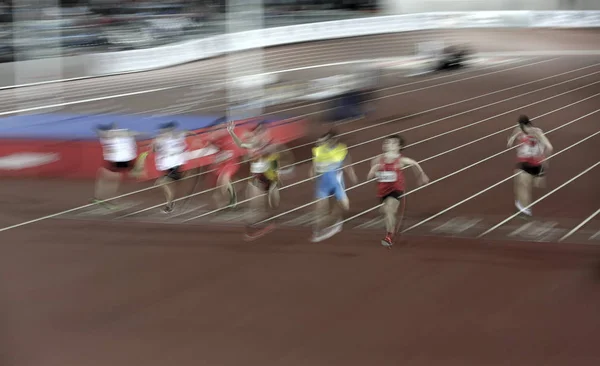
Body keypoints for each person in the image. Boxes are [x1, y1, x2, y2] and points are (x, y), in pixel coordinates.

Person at [227, 120, 294, 240]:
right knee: (254, 203)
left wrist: (284, 169)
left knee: (273, 204)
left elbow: (284, 156)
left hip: (270, 177)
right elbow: (241, 145)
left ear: (266, 133)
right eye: (258, 132)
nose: (260, 134)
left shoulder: (272, 144)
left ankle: (272, 220)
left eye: (262, 131)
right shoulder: (252, 145)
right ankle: (252, 227)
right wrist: (231, 131)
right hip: (257, 176)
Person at [367, 135, 429, 247]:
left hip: (396, 189)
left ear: (399, 146)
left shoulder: (400, 160)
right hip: (382, 190)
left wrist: (421, 175)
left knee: (389, 209)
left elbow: (414, 163)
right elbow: (373, 170)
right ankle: (390, 229)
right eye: (387, 143)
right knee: (387, 212)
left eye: (392, 143)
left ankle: (389, 236)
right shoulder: (377, 159)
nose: (389, 145)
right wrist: (372, 173)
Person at [310, 129, 357, 242]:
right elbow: (315, 164)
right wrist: (312, 172)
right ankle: (317, 230)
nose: (328, 142)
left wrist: (351, 173)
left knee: (345, 206)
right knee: (320, 206)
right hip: (323, 183)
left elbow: (347, 163)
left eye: (330, 139)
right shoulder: (318, 150)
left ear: (335, 139)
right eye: (326, 140)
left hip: (337, 182)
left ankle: (336, 220)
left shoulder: (341, 149)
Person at [507, 115, 553, 217]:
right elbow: (549, 147)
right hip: (535, 164)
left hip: (529, 163)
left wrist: (545, 162)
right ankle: (523, 208)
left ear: (522, 125)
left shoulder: (536, 133)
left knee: (523, 186)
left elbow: (549, 147)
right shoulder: (535, 131)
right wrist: (545, 161)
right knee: (521, 184)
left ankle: (525, 210)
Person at [147, 122, 198, 213]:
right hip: (170, 166)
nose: (161, 132)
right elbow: (186, 132)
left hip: (173, 166)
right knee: (166, 185)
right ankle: (170, 202)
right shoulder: (175, 136)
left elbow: (154, 150)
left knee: (162, 183)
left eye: (163, 131)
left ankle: (170, 204)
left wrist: (154, 145)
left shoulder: (165, 138)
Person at [92, 123, 145, 208]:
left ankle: (102, 198)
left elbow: (128, 134)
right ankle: (103, 198)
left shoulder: (108, 135)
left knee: (110, 178)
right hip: (120, 159)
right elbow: (132, 134)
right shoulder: (113, 135)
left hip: (120, 159)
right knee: (111, 178)